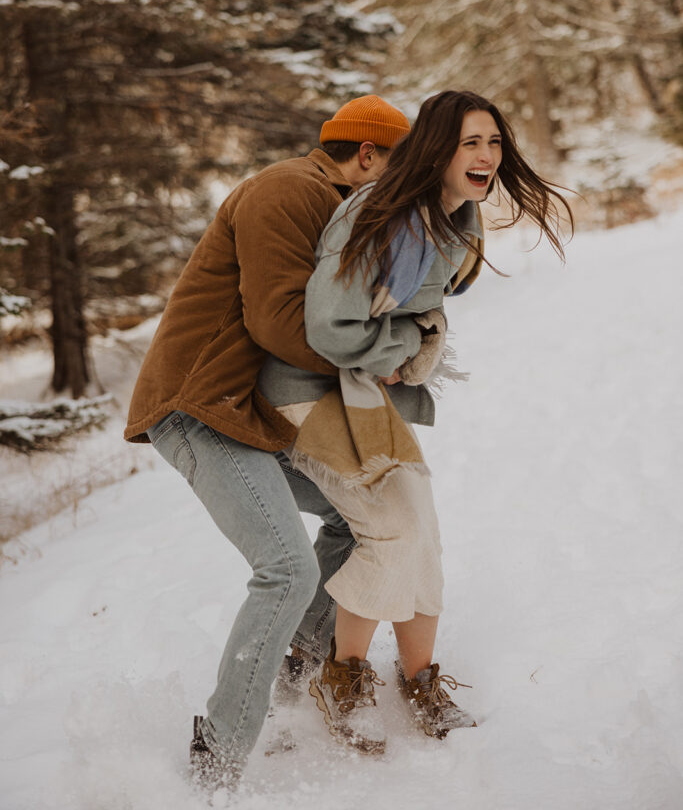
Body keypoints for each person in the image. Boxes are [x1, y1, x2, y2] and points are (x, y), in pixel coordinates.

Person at [258, 89, 573, 753]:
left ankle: (419, 680)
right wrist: (408, 350)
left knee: (421, 535)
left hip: (359, 394)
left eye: (493, 141)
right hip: (309, 392)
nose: (486, 155)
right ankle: (337, 680)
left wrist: (421, 337)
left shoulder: (448, 218)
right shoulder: (383, 215)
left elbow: (428, 299)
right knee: (391, 530)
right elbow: (330, 324)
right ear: (435, 151)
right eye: (470, 143)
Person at [124, 95, 412, 787]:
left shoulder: (333, 206)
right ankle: (216, 756)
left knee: (356, 517)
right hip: (200, 407)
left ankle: (295, 664)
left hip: (245, 415)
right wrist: (375, 357)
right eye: (398, 168)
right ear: (366, 155)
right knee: (285, 569)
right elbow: (281, 323)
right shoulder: (287, 189)